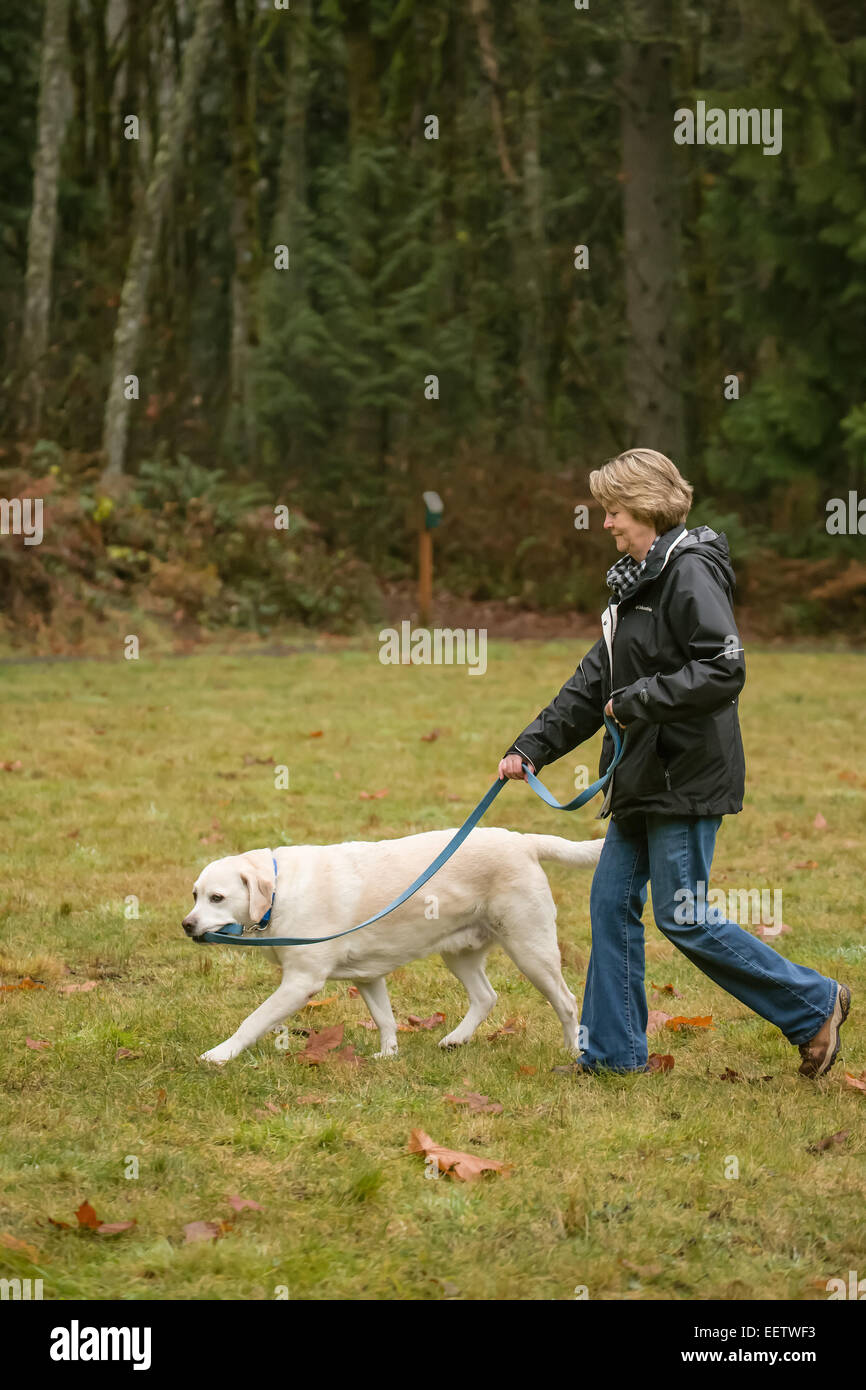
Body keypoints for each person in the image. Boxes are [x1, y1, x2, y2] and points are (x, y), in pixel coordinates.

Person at [498, 448, 850, 1078]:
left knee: (683, 918)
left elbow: (724, 666)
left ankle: (813, 1004)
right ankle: (613, 1053)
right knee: (609, 907)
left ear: (647, 507)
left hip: (684, 773)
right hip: (641, 775)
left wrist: (638, 702)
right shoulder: (632, 584)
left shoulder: (688, 573)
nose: (605, 522)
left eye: (614, 510)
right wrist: (531, 747)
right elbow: (593, 683)